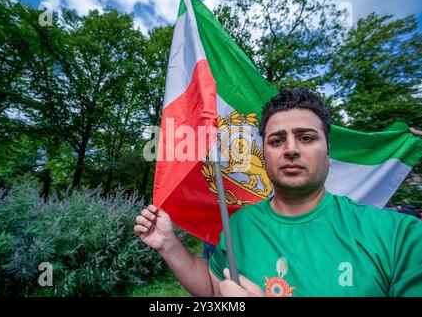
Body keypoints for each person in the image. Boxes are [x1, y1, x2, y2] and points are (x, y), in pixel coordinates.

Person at [134, 88, 422, 297]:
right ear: (264, 153)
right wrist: (169, 245)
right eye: (277, 140)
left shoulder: (401, 237)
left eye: (306, 137)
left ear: (328, 149)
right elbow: (214, 289)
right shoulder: (239, 225)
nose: (291, 149)